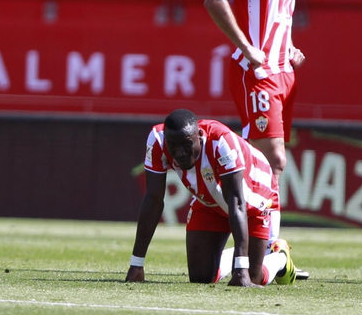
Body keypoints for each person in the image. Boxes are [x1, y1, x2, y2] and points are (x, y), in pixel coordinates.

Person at [202, 0, 312, 248]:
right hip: (258, 74)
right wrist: (247, 47)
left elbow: (279, 18)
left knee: (270, 164)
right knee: (273, 160)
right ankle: (256, 247)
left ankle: (265, 245)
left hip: (285, 73)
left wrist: (290, 47)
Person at [125, 109, 293, 287]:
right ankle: (238, 257)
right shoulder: (157, 139)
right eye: (173, 145)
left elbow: (237, 202)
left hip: (253, 201)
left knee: (252, 278)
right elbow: (153, 199)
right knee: (201, 277)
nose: (180, 152)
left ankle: (280, 258)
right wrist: (137, 264)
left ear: (199, 136)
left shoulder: (221, 141)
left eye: (186, 144)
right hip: (209, 202)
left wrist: (241, 270)